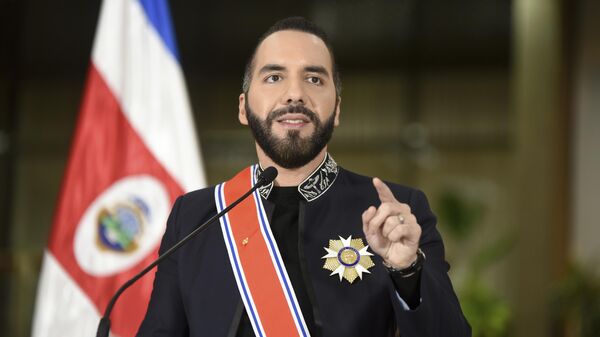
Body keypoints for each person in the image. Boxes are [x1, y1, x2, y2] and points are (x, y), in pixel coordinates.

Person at [137, 17, 471, 337]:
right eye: (274, 77)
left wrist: (407, 269)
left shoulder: (396, 213)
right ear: (243, 108)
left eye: (314, 79)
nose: (294, 94)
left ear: (337, 109)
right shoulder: (196, 217)